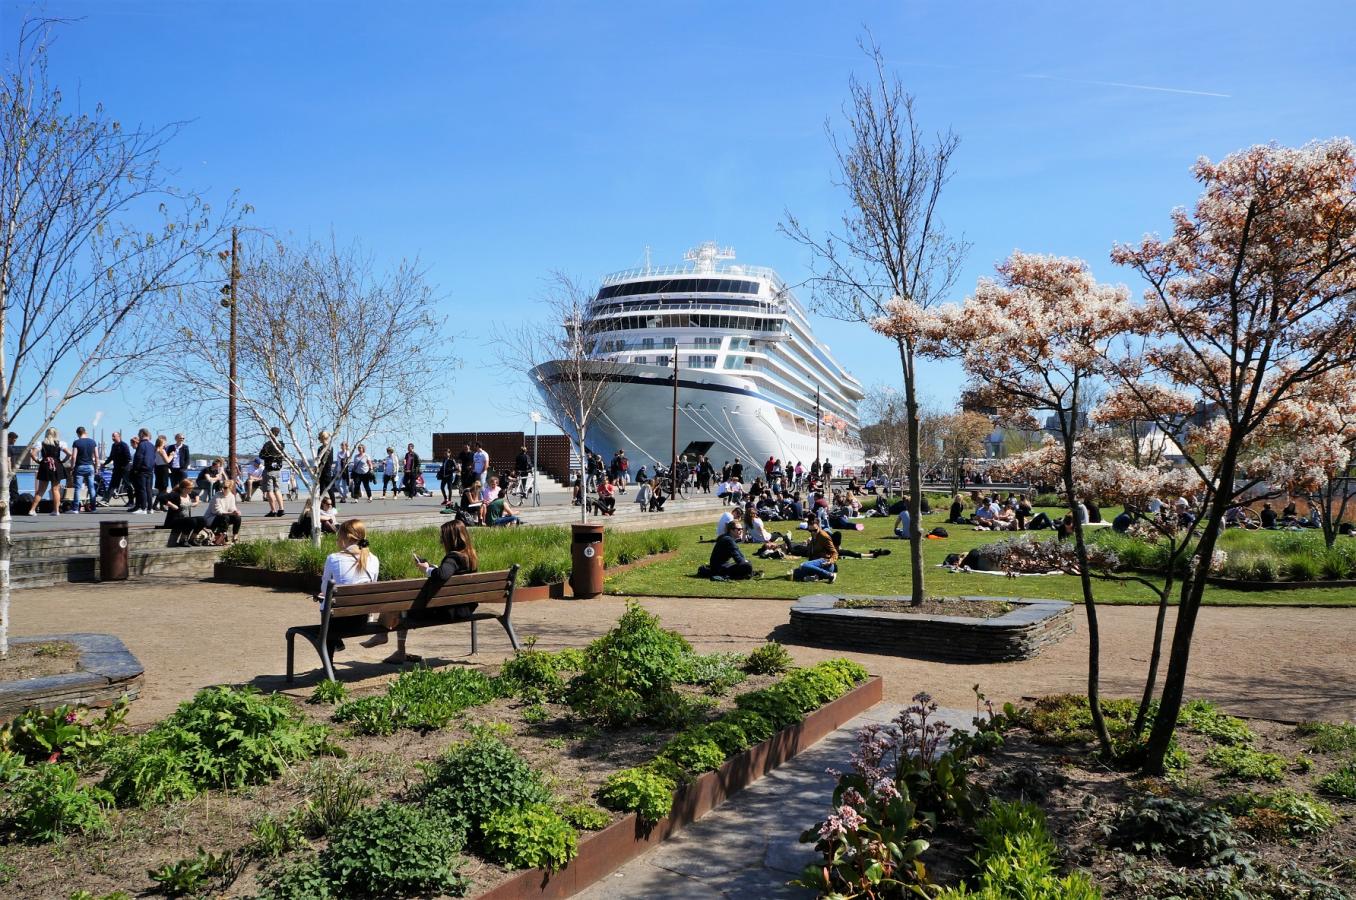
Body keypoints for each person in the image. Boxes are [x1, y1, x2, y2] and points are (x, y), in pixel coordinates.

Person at [363, 518, 476, 664]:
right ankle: (391, 643)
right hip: (464, 607)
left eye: (442, 538)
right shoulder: (470, 556)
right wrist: (433, 567)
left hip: (446, 611)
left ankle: (384, 635)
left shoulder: (453, 557)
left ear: (450, 539)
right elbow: (449, 573)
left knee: (401, 603)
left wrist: (427, 569)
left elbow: (443, 575)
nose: (440, 541)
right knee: (402, 605)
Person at [314, 518, 381, 658]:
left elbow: (325, 589)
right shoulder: (373, 559)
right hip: (361, 620)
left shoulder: (333, 558)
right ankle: (335, 641)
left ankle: (329, 662)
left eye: (338, 536)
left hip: (338, 622)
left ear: (347, 538)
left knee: (325, 601)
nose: (337, 539)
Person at [31, 427, 69, 516]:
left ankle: (32, 510)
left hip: (45, 466)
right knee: (55, 489)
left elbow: (32, 454)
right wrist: (63, 461)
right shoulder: (60, 443)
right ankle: (56, 510)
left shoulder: (41, 443)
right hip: (57, 466)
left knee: (40, 490)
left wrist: (38, 461)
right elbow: (69, 454)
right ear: (56, 434)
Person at [793, 516, 838, 583]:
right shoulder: (813, 536)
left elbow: (835, 552)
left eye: (814, 530)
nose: (812, 532)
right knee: (795, 573)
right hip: (816, 565)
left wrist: (830, 561)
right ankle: (815, 577)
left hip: (825, 563)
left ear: (819, 526)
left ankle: (830, 575)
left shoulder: (824, 536)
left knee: (803, 565)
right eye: (810, 531)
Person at [163, 479, 207, 546]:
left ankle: (192, 539)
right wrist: (172, 505)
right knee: (192, 521)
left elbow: (196, 494)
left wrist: (197, 501)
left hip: (185, 519)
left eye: (192, 488)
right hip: (174, 521)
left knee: (202, 519)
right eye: (190, 488)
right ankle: (183, 540)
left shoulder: (188, 494)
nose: (192, 489)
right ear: (184, 489)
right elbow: (161, 497)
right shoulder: (175, 495)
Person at [70, 426, 100, 512]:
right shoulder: (93, 442)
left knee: (78, 488)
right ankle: (93, 508)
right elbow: (97, 456)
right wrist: (97, 467)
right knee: (91, 488)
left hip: (80, 467)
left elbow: (74, 456)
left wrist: (72, 467)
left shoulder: (76, 442)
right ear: (85, 432)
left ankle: (75, 509)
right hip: (90, 467)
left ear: (78, 433)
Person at [260, 427, 287, 517]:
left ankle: (273, 510)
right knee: (277, 489)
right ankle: (281, 509)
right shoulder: (281, 444)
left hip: (269, 469)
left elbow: (261, 455)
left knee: (269, 490)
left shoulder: (267, 445)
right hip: (277, 469)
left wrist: (267, 456)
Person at [130, 427, 157, 514]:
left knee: (142, 489)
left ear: (142, 434)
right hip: (150, 470)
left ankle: (143, 508)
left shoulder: (141, 445)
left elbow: (139, 457)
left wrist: (135, 469)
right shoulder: (152, 445)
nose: (138, 436)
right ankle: (150, 508)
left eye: (139, 434)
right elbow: (153, 458)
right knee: (149, 489)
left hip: (142, 470)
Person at [100, 431, 131, 505]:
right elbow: (111, 457)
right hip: (116, 468)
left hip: (124, 468)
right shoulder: (113, 446)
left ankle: (131, 501)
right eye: (112, 436)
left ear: (119, 436)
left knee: (127, 485)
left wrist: (122, 464)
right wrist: (104, 464)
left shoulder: (124, 445)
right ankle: (106, 500)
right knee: (112, 484)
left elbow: (128, 458)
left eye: (114, 436)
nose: (113, 438)